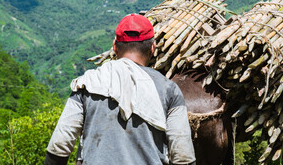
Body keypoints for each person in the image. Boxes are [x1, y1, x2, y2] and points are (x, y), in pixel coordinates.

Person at [45, 14, 196, 165]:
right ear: (152, 47)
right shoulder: (169, 90)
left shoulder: (87, 84)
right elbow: (183, 157)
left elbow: (59, 145)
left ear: (115, 47)